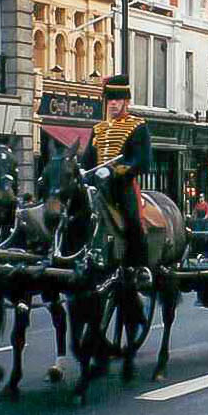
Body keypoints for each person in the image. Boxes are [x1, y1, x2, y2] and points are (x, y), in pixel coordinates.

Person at [81, 74, 153, 289]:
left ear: (126, 101)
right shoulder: (98, 129)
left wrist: (119, 171)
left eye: (117, 99)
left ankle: (139, 266)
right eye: (109, 99)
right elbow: (87, 159)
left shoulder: (138, 127)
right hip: (97, 186)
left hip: (122, 185)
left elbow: (142, 160)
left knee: (132, 219)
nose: (112, 103)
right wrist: (83, 171)